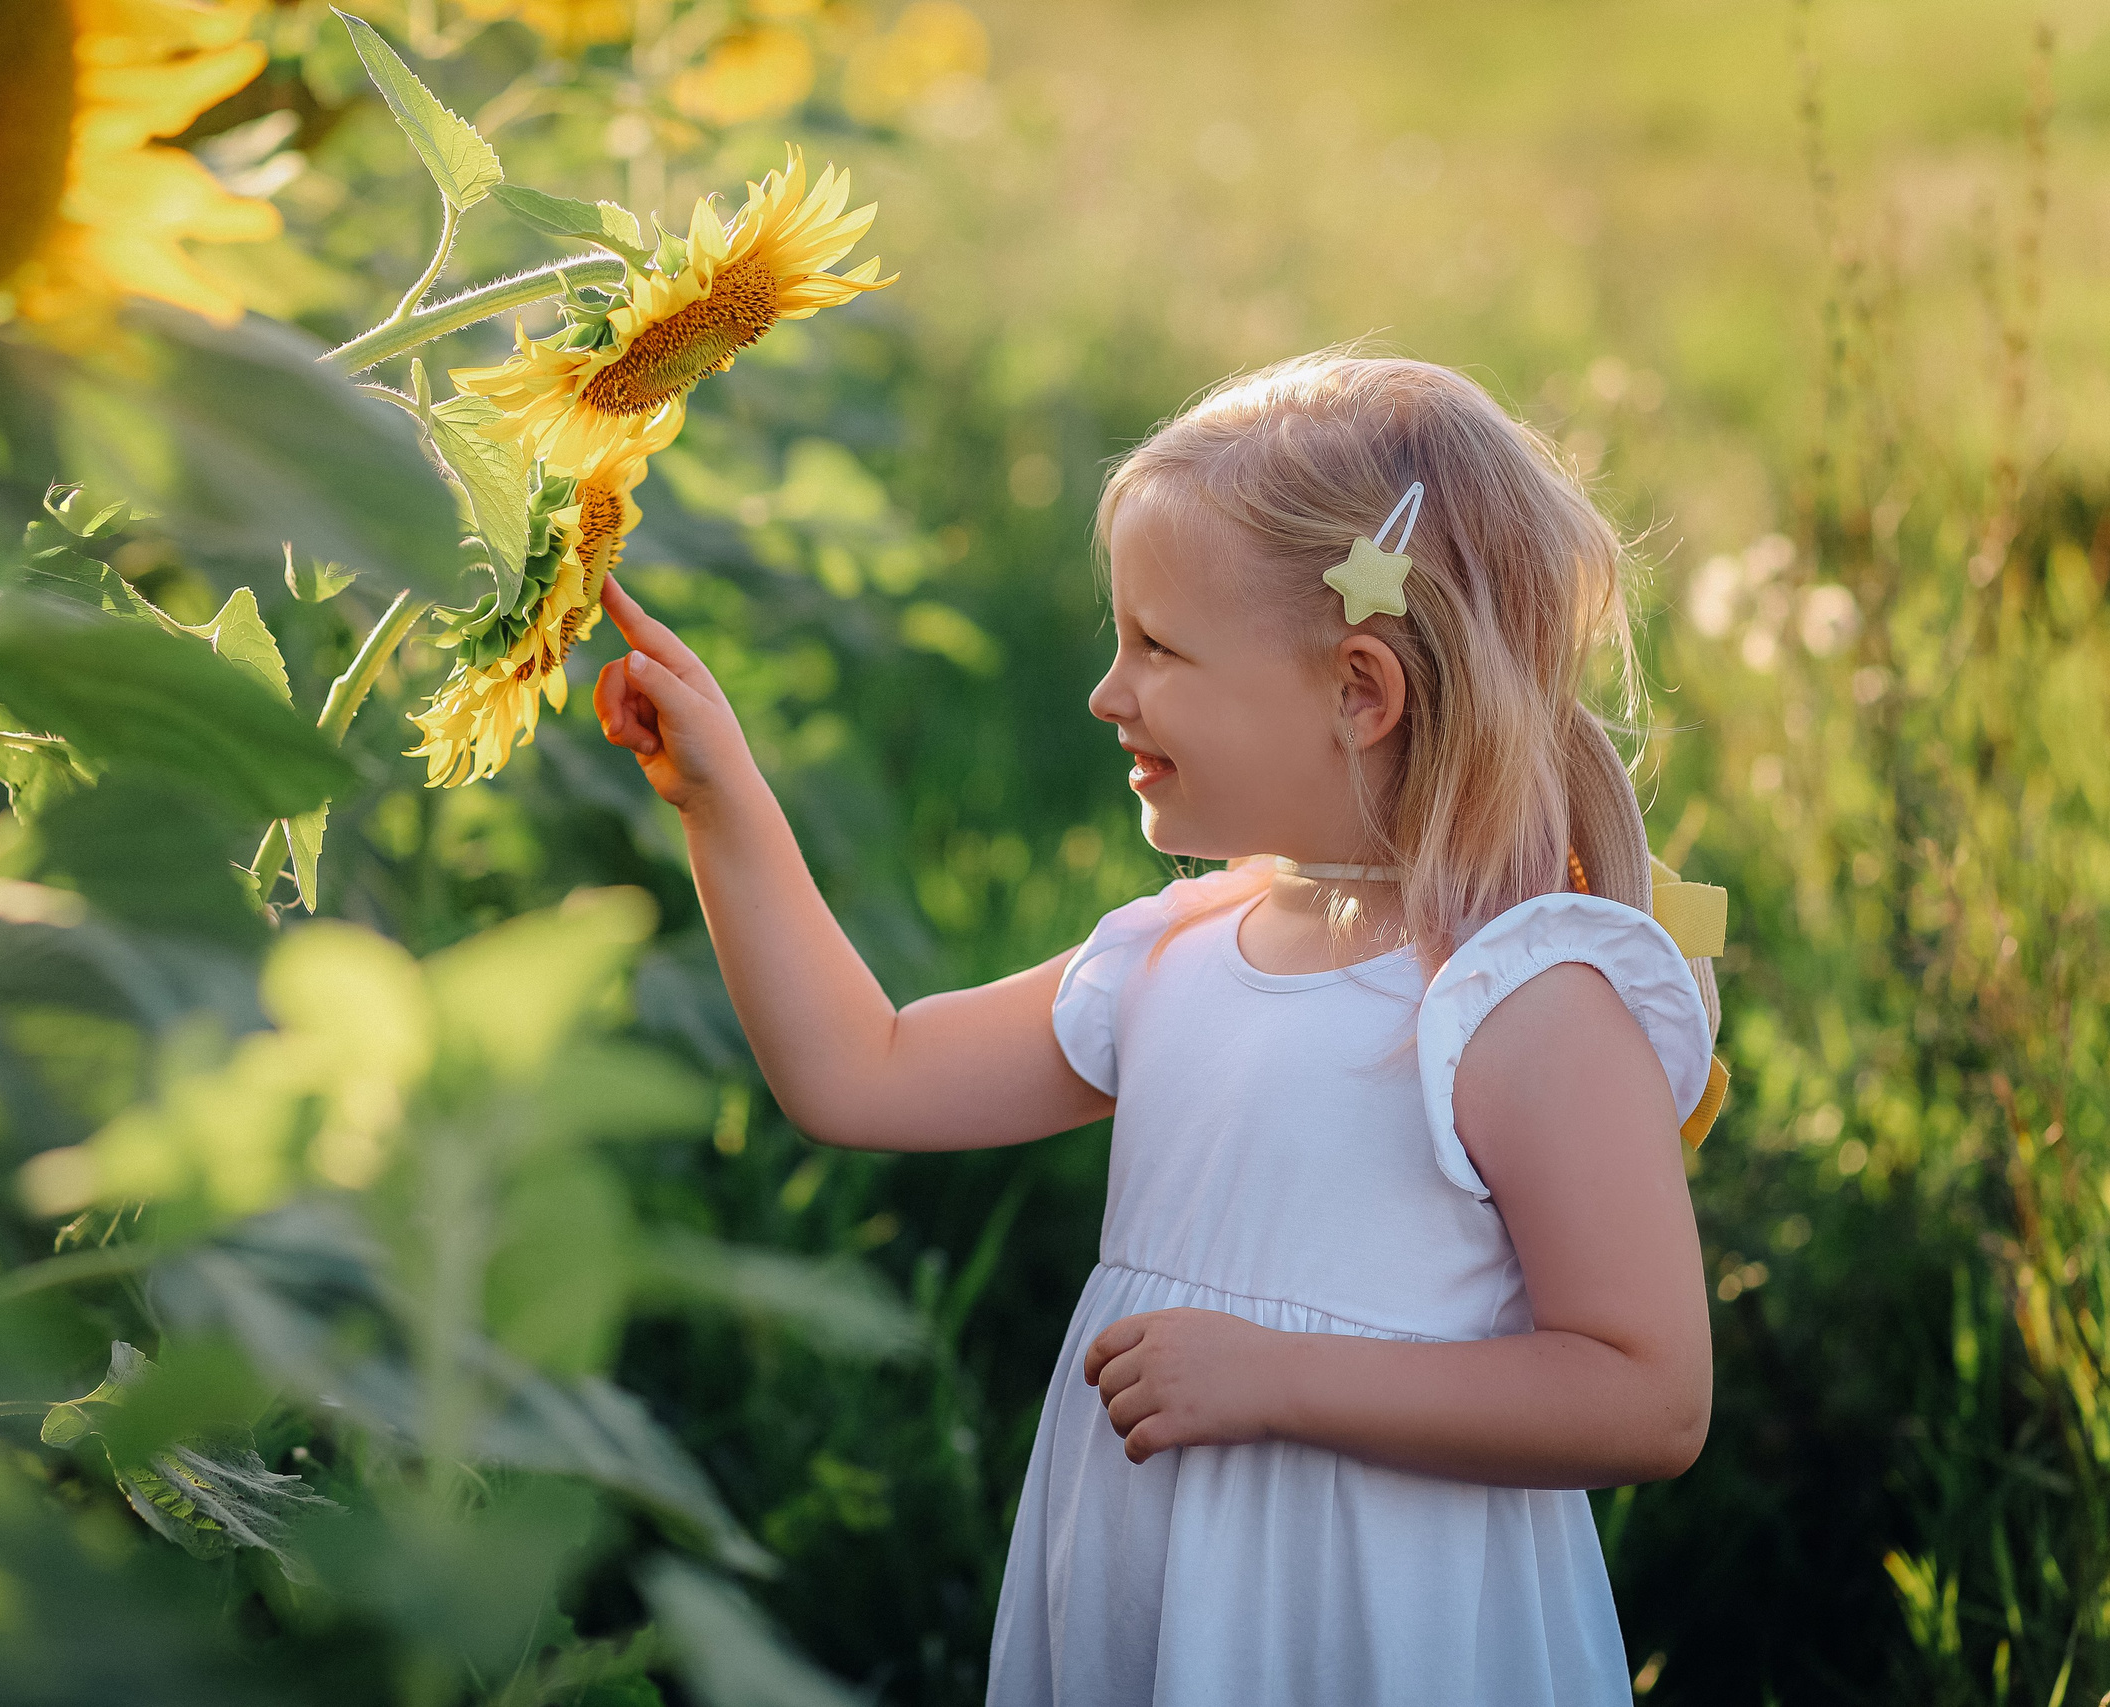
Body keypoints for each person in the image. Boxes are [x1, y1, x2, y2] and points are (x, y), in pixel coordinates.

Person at [590, 350, 1723, 1706]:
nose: (1105, 693)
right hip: (1164, 1589)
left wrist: (1277, 1378)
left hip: (1384, 1631)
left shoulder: (1518, 1000)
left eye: (1158, 649)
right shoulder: (1174, 956)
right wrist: (720, 800)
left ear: (1359, 691)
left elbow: (1647, 1396)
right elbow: (861, 1073)